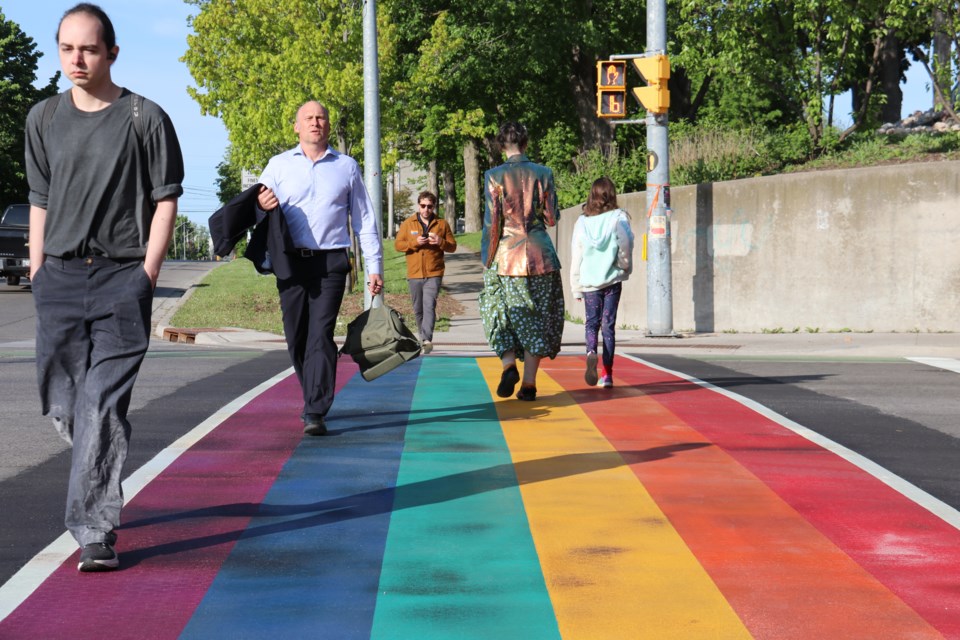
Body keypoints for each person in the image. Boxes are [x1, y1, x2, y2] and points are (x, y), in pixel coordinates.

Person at [24, 3, 184, 572]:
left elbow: (166, 200)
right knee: (65, 403)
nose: (77, 59)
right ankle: (98, 456)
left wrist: (148, 274)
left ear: (112, 52)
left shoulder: (145, 117)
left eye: (88, 48)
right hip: (59, 281)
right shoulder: (42, 118)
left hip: (121, 279)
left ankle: (94, 529)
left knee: (103, 404)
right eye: (67, 48)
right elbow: (40, 202)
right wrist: (37, 271)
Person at [256, 101, 383, 436]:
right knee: (296, 336)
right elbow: (256, 203)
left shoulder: (346, 166)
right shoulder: (278, 165)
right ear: (297, 127)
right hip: (291, 262)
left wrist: (374, 266)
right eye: (308, 118)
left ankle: (315, 409)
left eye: (321, 117)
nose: (315, 122)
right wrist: (261, 202)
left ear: (328, 125)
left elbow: (364, 219)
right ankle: (312, 390)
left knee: (320, 335)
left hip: (331, 263)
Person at [479, 121, 564, 402]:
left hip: (506, 255)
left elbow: (493, 225)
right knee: (537, 316)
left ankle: (507, 364)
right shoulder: (544, 173)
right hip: (542, 255)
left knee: (496, 307)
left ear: (501, 145)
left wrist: (487, 259)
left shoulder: (493, 176)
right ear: (526, 143)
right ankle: (529, 383)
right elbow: (551, 218)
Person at [570, 177, 635, 388]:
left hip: (590, 283)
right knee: (608, 326)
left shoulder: (582, 222)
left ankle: (591, 352)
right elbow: (625, 243)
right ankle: (607, 374)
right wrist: (623, 265)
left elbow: (576, 255)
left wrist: (576, 286)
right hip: (612, 280)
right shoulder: (618, 218)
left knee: (591, 323)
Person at [393, 190, 457, 353]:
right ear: (418, 205)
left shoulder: (442, 224)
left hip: (434, 272)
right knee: (418, 308)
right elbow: (398, 245)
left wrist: (440, 241)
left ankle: (426, 339)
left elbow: (452, 246)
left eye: (429, 206)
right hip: (414, 273)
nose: (426, 209)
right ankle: (423, 339)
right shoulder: (408, 223)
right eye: (423, 206)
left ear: (434, 207)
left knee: (429, 305)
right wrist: (415, 242)